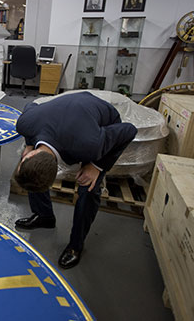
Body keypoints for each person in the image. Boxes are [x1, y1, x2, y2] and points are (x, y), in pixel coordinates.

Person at [13, 92, 137, 269]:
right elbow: (31, 106)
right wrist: (29, 144)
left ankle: (75, 246)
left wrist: (96, 166)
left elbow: (129, 130)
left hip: (100, 120)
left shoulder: (91, 146)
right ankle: (44, 216)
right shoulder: (25, 124)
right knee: (30, 175)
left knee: (88, 188)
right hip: (68, 113)